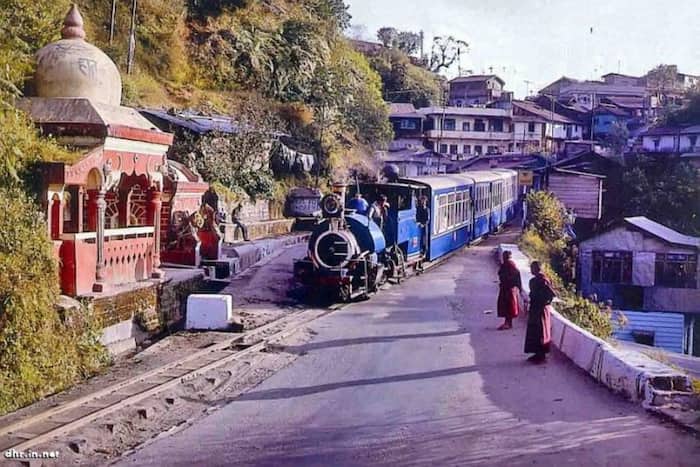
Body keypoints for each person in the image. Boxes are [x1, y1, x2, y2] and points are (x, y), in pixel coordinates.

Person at [524, 261, 556, 364]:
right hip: (535, 308)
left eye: (532, 268)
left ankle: (542, 355)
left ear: (536, 269)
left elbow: (551, 294)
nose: (531, 270)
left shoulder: (543, 280)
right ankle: (537, 353)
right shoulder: (534, 280)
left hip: (541, 310)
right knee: (534, 331)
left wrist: (544, 303)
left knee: (541, 331)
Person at [497, 250, 522, 330]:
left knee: (508, 306)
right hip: (507, 288)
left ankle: (508, 323)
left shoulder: (510, 265)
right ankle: (507, 323)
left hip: (508, 289)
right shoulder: (507, 264)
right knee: (507, 306)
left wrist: (516, 285)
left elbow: (516, 275)